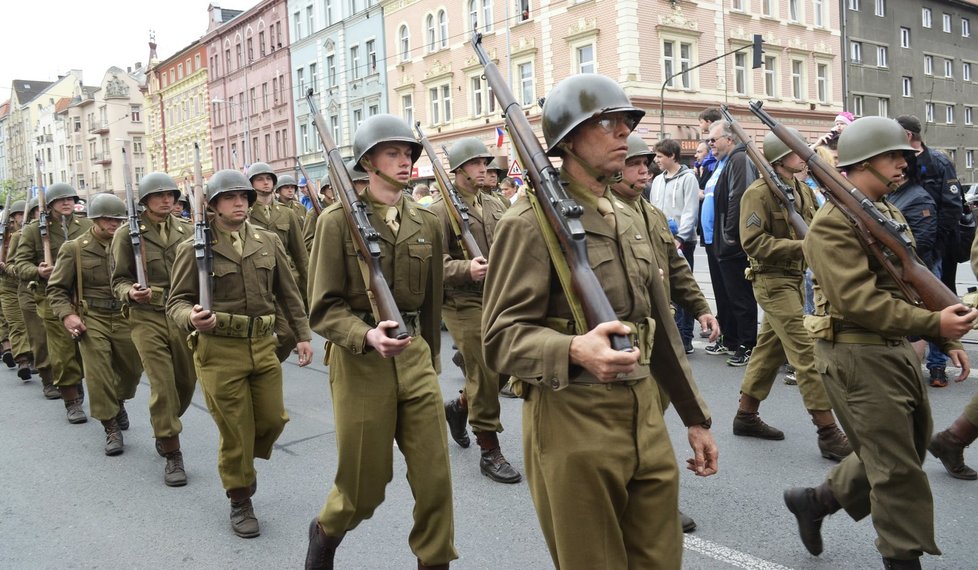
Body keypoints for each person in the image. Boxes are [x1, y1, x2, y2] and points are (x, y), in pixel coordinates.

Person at [482, 74, 718, 569]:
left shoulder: (630, 216)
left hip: (645, 417)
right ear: (567, 141)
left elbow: (662, 329)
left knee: (660, 559)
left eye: (628, 123)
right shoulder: (527, 223)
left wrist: (695, 418)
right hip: (574, 421)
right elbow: (500, 338)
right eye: (608, 124)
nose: (624, 135)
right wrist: (572, 349)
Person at [784, 116, 977, 569]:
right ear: (863, 161)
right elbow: (858, 302)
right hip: (856, 354)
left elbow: (905, 285)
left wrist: (939, 333)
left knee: (902, 450)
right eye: (893, 157)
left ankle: (816, 501)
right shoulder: (832, 225)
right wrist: (932, 322)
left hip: (891, 349)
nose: (903, 165)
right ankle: (902, 559)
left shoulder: (884, 211)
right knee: (897, 471)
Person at [305, 114, 456, 569]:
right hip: (361, 365)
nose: (406, 161)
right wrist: (366, 334)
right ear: (369, 162)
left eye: (409, 153)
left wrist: (430, 360)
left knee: (435, 481)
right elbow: (323, 309)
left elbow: (431, 302)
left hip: (415, 357)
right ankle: (325, 533)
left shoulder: (427, 221)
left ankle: (435, 561)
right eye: (394, 153)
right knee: (363, 485)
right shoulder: (336, 222)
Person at [168, 169, 313, 538]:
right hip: (219, 350)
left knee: (272, 420)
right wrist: (192, 317)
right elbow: (176, 304)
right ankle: (240, 495)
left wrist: (302, 335)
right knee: (235, 430)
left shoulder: (266, 240)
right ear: (213, 205)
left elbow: (289, 293)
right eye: (230, 198)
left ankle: (243, 466)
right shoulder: (195, 248)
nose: (239, 203)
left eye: (244, 197)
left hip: (263, 345)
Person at [612, 132, 720, 534]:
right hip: (623, 338)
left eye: (647, 164)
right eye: (635, 164)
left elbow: (676, 269)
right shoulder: (601, 216)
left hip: (657, 333)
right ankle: (641, 502)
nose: (645, 171)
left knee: (651, 424)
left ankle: (649, 500)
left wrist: (702, 308)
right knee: (636, 428)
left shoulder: (650, 213)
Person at [733, 130, 851, 461]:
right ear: (778, 159)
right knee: (805, 351)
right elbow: (753, 243)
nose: (802, 155)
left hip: (795, 279)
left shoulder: (800, 189)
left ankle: (745, 415)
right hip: (771, 280)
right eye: (794, 151)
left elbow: (817, 227)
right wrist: (804, 247)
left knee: (769, 350)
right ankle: (828, 432)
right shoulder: (757, 194)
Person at [433, 137, 519, 484]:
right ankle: (489, 448)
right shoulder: (438, 211)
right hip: (460, 300)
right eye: (475, 163)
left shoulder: (496, 204)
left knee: (504, 364)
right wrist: (463, 269)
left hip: (497, 295)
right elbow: (430, 264)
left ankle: (459, 409)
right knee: (484, 368)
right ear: (457, 171)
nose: (484, 167)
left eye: (485, 162)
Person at [112, 172, 196, 487]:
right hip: (145, 315)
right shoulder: (127, 234)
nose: (166, 200)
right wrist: (130, 292)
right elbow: (117, 279)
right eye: (159, 195)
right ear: (145, 200)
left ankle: (165, 420)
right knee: (161, 382)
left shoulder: (188, 230)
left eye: (171, 195)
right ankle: (172, 450)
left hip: (180, 313)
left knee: (186, 382)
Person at [47, 194, 143, 456]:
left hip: (126, 315)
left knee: (132, 370)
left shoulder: (130, 244)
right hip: (93, 319)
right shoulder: (75, 248)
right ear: (96, 219)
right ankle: (110, 426)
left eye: (118, 219)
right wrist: (68, 315)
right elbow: (56, 290)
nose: (114, 224)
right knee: (98, 375)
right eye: (108, 219)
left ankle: (119, 400)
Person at [14, 183, 92, 423]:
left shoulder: (86, 226)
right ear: (49, 204)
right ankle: (72, 400)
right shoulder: (34, 230)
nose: (66, 202)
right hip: (51, 297)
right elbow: (19, 264)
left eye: (69, 198)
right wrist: (39, 270)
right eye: (60, 200)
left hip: (84, 296)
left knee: (86, 349)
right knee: (62, 350)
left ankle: (79, 383)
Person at [896, 115, 964, 387]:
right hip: (908, 243)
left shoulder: (938, 162)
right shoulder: (900, 157)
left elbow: (952, 206)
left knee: (937, 303)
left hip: (935, 247)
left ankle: (937, 367)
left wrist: (936, 244)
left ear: (908, 134)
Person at [705, 120, 758, 365]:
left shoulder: (738, 159)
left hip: (730, 243)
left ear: (730, 138)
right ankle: (731, 339)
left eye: (713, 139)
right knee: (725, 295)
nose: (709, 144)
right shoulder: (723, 162)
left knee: (739, 296)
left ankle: (747, 344)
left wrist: (729, 236)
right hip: (717, 242)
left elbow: (739, 199)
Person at [247, 162, 309, 362]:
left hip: (283, 279)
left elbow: (300, 253)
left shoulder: (287, 213)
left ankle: (268, 365)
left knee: (289, 335)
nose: (265, 183)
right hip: (255, 279)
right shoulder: (245, 213)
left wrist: (310, 285)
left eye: (268, 179)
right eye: (260, 179)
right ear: (251, 183)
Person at [649, 138, 700, 353]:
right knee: (664, 290)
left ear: (672, 156)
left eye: (660, 156)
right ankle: (671, 336)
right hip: (660, 241)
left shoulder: (688, 179)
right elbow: (652, 209)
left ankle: (685, 337)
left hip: (681, 242)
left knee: (683, 288)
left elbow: (690, 210)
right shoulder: (659, 180)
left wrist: (680, 238)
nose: (656, 160)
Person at [9, 199, 55, 397]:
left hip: (57, 292)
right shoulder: (22, 235)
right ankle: (46, 377)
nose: (41, 212)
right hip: (28, 290)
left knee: (62, 341)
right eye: (37, 210)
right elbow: (14, 265)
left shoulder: (60, 232)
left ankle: (68, 377)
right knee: (38, 336)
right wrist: (36, 271)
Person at [0, 200, 33, 381]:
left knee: (33, 324)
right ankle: (23, 360)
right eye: (19, 214)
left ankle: (36, 356)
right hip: (7, 284)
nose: (23, 217)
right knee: (15, 322)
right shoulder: (4, 234)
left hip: (28, 282)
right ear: (13, 218)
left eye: (25, 214)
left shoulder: (31, 233)